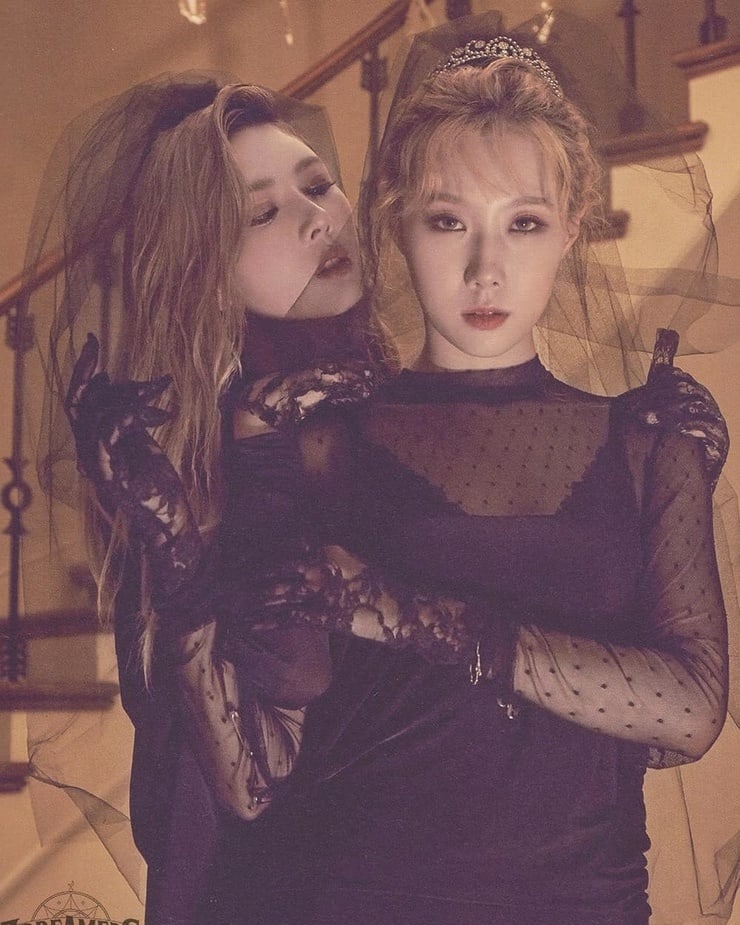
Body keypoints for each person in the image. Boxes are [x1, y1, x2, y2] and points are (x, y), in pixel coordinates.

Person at [34, 27, 734, 925]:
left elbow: (692, 707)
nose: (486, 266)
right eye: (448, 220)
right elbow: (254, 775)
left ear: (573, 228)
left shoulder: (648, 439)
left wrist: (416, 614)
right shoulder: (300, 443)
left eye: (524, 221)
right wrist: (178, 557)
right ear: (397, 222)